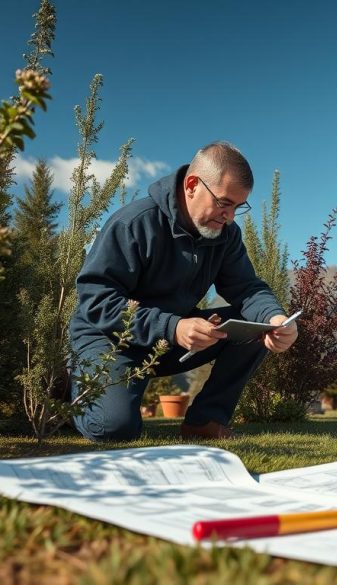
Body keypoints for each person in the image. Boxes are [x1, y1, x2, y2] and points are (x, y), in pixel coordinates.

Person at [68, 141, 298, 441]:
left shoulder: (225, 235)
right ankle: (69, 391)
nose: (229, 216)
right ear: (192, 185)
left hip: (168, 341)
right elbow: (97, 299)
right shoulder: (134, 224)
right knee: (114, 429)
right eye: (224, 203)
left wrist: (275, 319)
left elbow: (247, 288)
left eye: (237, 208)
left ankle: (204, 421)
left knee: (256, 327)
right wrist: (173, 326)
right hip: (108, 341)